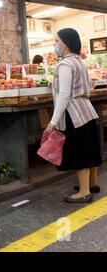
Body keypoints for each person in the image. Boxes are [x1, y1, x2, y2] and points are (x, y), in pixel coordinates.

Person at [45, 28, 101, 203]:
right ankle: (92, 184)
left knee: (80, 152)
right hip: (87, 111)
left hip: (74, 114)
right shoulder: (79, 62)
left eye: (57, 41)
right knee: (90, 148)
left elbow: (64, 95)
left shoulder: (65, 65)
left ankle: (84, 192)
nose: (55, 44)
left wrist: (53, 120)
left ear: (66, 43)